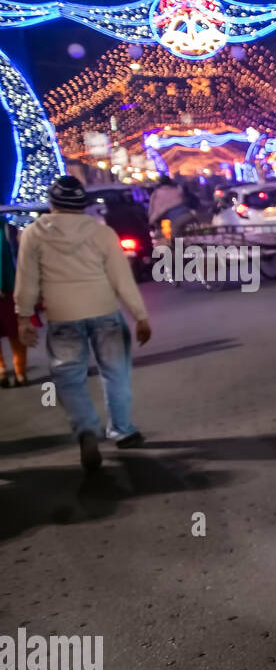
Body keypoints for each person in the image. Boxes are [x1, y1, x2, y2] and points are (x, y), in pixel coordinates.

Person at [14, 176, 152, 471]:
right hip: (105, 311)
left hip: (63, 316)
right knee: (116, 373)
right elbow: (121, 278)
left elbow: (26, 280)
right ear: (82, 205)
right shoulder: (102, 233)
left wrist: (23, 317)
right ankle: (123, 431)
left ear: (51, 203)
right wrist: (140, 315)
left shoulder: (33, 234)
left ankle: (87, 428)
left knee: (69, 379)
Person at [1, 224, 29, 388]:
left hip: (11, 290)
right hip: (12, 288)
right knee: (16, 332)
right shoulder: (8, 229)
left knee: (15, 331)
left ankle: (2, 370)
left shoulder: (8, 229)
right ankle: (20, 373)